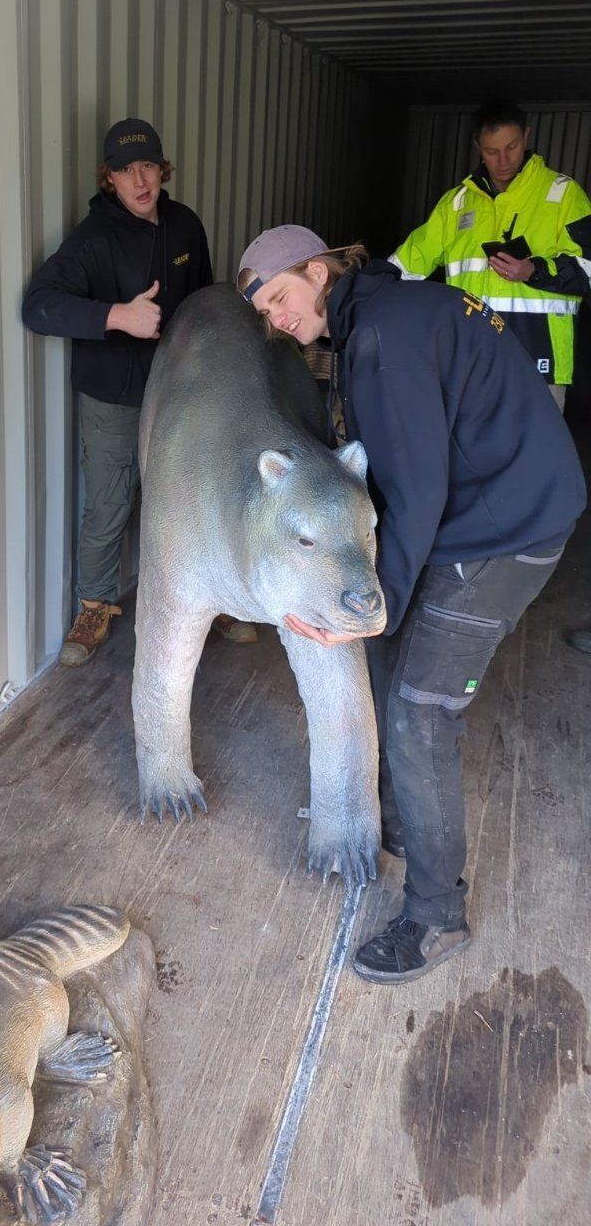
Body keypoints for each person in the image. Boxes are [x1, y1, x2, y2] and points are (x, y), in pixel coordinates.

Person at [236, 225, 586, 983]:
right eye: (265, 313)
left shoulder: (383, 340)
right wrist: (381, 613)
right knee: (390, 657)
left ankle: (436, 919)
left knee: (420, 712)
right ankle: (402, 818)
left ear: (318, 272)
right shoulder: (385, 315)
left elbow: (417, 490)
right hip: (491, 501)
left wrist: (375, 606)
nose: (278, 319)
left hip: (509, 528)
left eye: (281, 297)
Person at [22, 118, 255, 666]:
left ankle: (215, 598)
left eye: (148, 165)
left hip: (180, 392)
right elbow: (38, 305)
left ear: (162, 168)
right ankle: (94, 607)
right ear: (110, 178)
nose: (140, 180)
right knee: (109, 504)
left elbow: (203, 305)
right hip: (114, 396)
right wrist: (116, 316)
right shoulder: (93, 239)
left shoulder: (184, 225)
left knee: (193, 500)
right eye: (126, 170)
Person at [390, 99, 591, 410]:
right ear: (477, 148)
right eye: (492, 151)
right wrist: (368, 289)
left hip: (539, 360)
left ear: (526, 136)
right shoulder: (456, 203)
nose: (504, 160)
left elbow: (587, 270)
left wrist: (533, 271)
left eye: (512, 146)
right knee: (465, 442)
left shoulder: (564, 194)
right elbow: (407, 263)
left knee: (536, 443)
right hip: (470, 362)